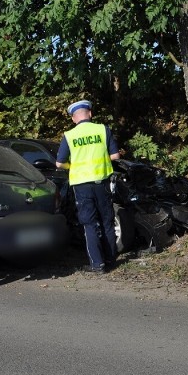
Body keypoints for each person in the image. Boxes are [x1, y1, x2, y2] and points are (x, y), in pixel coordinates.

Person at [56, 99, 121, 274]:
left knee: (89, 224)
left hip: (82, 186)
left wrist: (74, 166)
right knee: (107, 221)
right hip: (102, 183)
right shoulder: (102, 129)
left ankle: (97, 265)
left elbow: (59, 164)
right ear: (90, 113)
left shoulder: (69, 135)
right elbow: (115, 156)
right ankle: (110, 260)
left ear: (73, 119)